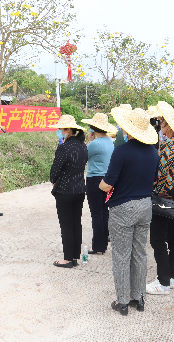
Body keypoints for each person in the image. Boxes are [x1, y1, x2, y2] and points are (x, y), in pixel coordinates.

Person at [99, 107, 159, 316]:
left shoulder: (122, 150)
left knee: (121, 255)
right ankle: (138, 297)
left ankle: (123, 301)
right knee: (139, 253)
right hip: (145, 205)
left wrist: (100, 185)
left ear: (128, 129)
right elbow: (153, 180)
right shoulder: (153, 151)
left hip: (124, 207)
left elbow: (108, 183)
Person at [147, 105, 174, 295]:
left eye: (163, 122)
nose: (161, 125)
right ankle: (170, 276)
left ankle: (163, 281)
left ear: (170, 126)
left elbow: (158, 174)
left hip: (163, 197)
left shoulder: (167, 147)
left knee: (158, 239)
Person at [48, 115, 88, 269]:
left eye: (62, 129)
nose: (60, 132)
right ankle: (75, 256)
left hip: (65, 190)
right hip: (79, 189)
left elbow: (55, 170)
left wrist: (54, 180)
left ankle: (67, 259)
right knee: (76, 223)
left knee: (66, 224)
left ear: (69, 130)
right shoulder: (83, 146)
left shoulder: (64, 147)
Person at [81, 113, 117, 255]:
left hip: (94, 179)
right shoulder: (110, 141)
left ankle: (97, 246)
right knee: (104, 212)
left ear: (92, 128)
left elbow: (83, 155)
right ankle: (103, 243)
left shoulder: (95, 144)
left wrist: (89, 141)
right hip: (107, 179)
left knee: (96, 213)